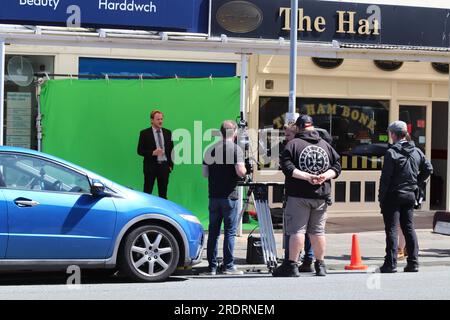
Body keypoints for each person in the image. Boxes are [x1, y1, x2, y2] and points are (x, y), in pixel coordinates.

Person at [274, 115, 341, 277]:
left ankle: (291, 266)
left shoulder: (293, 145)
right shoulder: (325, 145)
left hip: (298, 195)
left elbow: (287, 167)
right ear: (312, 126)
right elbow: (337, 167)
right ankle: (320, 265)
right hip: (321, 195)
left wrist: (307, 177)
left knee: (297, 230)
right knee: (318, 232)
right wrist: (324, 176)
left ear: (299, 127)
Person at [378, 121, 433, 273]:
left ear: (393, 135)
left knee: (392, 229)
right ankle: (413, 263)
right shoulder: (416, 151)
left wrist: (381, 198)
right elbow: (429, 168)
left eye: (391, 133)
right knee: (409, 228)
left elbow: (385, 178)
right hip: (409, 194)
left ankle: (390, 263)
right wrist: (416, 181)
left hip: (393, 195)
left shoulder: (392, 152)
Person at [202, 120, 247, 275]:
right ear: (234, 133)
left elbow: (204, 174)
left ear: (220, 132)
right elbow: (241, 172)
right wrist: (246, 171)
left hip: (213, 196)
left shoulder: (209, 149)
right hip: (230, 196)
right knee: (230, 232)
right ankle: (228, 266)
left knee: (213, 232)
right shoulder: (236, 150)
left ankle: (212, 267)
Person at [281, 124, 315, 272]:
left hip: (297, 195)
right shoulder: (311, 149)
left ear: (296, 134)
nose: (285, 138)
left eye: (288, 135)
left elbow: (288, 170)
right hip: (312, 194)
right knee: (311, 230)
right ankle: (309, 259)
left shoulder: (293, 149)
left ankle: (291, 260)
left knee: (294, 229)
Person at [137, 110, 174, 199]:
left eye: (161, 119)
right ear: (152, 120)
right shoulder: (144, 133)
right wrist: (153, 153)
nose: (160, 121)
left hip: (164, 167)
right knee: (147, 193)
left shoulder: (168, 133)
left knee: (163, 194)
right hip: (150, 167)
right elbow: (139, 151)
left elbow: (172, 151)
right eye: (158, 119)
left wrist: (170, 165)